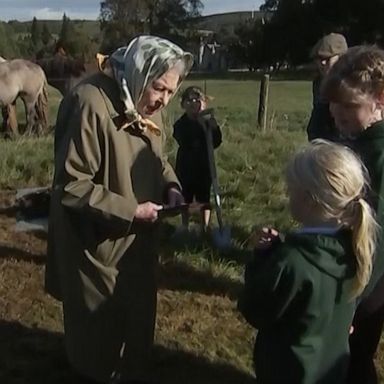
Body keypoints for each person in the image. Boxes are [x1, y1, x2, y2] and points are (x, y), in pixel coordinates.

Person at [45, 35, 193, 384]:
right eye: (159, 88)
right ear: (140, 72)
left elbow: (157, 157)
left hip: (137, 245)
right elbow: (71, 185)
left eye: (171, 92)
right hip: (96, 246)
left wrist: (170, 183)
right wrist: (130, 210)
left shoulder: (137, 99)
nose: (164, 100)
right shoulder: (90, 103)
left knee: (135, 330)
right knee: (98, 339)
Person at [238, 140, 378, 384]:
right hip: (331, 371)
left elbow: (255, 310)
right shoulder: (355, 250)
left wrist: (262, 258)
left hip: (287, 372)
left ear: (309, 200)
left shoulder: (291, 261)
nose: (287, 196)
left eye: (291, 190)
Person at [322, 45, 384, 384]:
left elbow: (378, 238)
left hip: (369, 282)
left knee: (355, 356)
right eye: (333, 102)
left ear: (380, 99)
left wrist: (353, 299)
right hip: (350, 270)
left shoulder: (380, 156)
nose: (337, 112)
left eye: (349, 105)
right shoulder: (357, 140)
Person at [173, 86, 222, 232]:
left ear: (204, 103)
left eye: (197, 99)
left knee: (204, 197)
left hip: (204, 166)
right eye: (190, 100)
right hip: (186, 166)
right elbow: (182, 139)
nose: (194, 103)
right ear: (183, 104)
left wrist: (210, 127)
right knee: (186, 196)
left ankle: (204, 225)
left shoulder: (208, 122)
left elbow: (217, 141)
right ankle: (184, 224)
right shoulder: (181, 124)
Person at [306, 33, 348, 141]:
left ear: (341, 57)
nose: (323, 63)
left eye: (327, 58)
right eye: (319, 58)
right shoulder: (318, 82)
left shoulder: (351, 83)